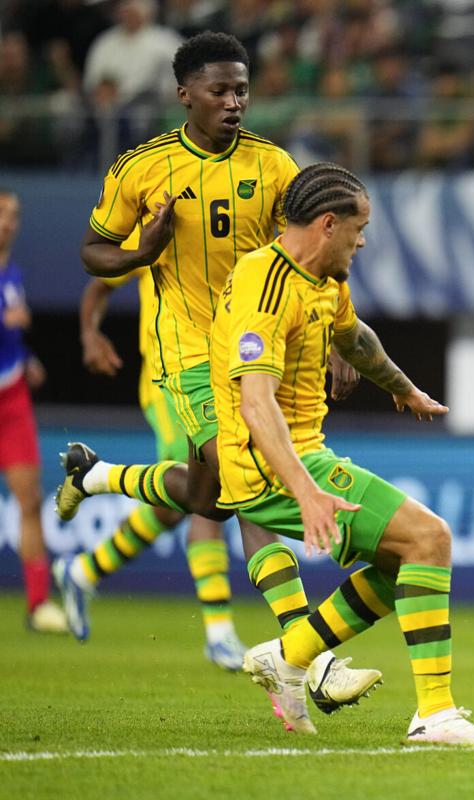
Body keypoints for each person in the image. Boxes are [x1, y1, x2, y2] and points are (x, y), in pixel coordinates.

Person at [54, 31, 378, 721]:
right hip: (190, 357)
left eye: (242, 89)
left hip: (262, 347)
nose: (234, 102)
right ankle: (308, 658)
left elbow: (313, 253)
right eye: (219, 91)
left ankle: (97, 476)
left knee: (207, 498)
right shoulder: (144, 168)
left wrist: (337, 338)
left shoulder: (274, 164)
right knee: (249, 477)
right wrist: (143, 249)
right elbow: (91, 252)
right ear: (185, 95)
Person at [219, 162, 474, 746]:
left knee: (405, 558)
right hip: (270, 464)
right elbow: (255, 402)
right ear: (328, 224)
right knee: (432, 539)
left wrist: (403, 388)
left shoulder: (323, 281)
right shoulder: (263, 285)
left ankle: (289, 655)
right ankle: (435, 715)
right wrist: (304, 488)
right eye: (359, 227)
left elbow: (355, 339)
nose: (364, 239)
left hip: (297, 454)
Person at [64, 269, 246, 666]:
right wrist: (89, 334)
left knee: (177, 504)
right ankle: (219, 633)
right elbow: (100, 282)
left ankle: (84, 571)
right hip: (172, 380)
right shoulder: (160, 221)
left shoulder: (245, 226)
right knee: (212, 494)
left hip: (226, 375)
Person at [0, 188, 67, 634]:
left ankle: (39, 604)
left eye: (13, 215)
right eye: (0, 214)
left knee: (29, 501)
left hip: (13, 398)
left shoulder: (13, 271)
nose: (7, 222)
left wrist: (26, 358)